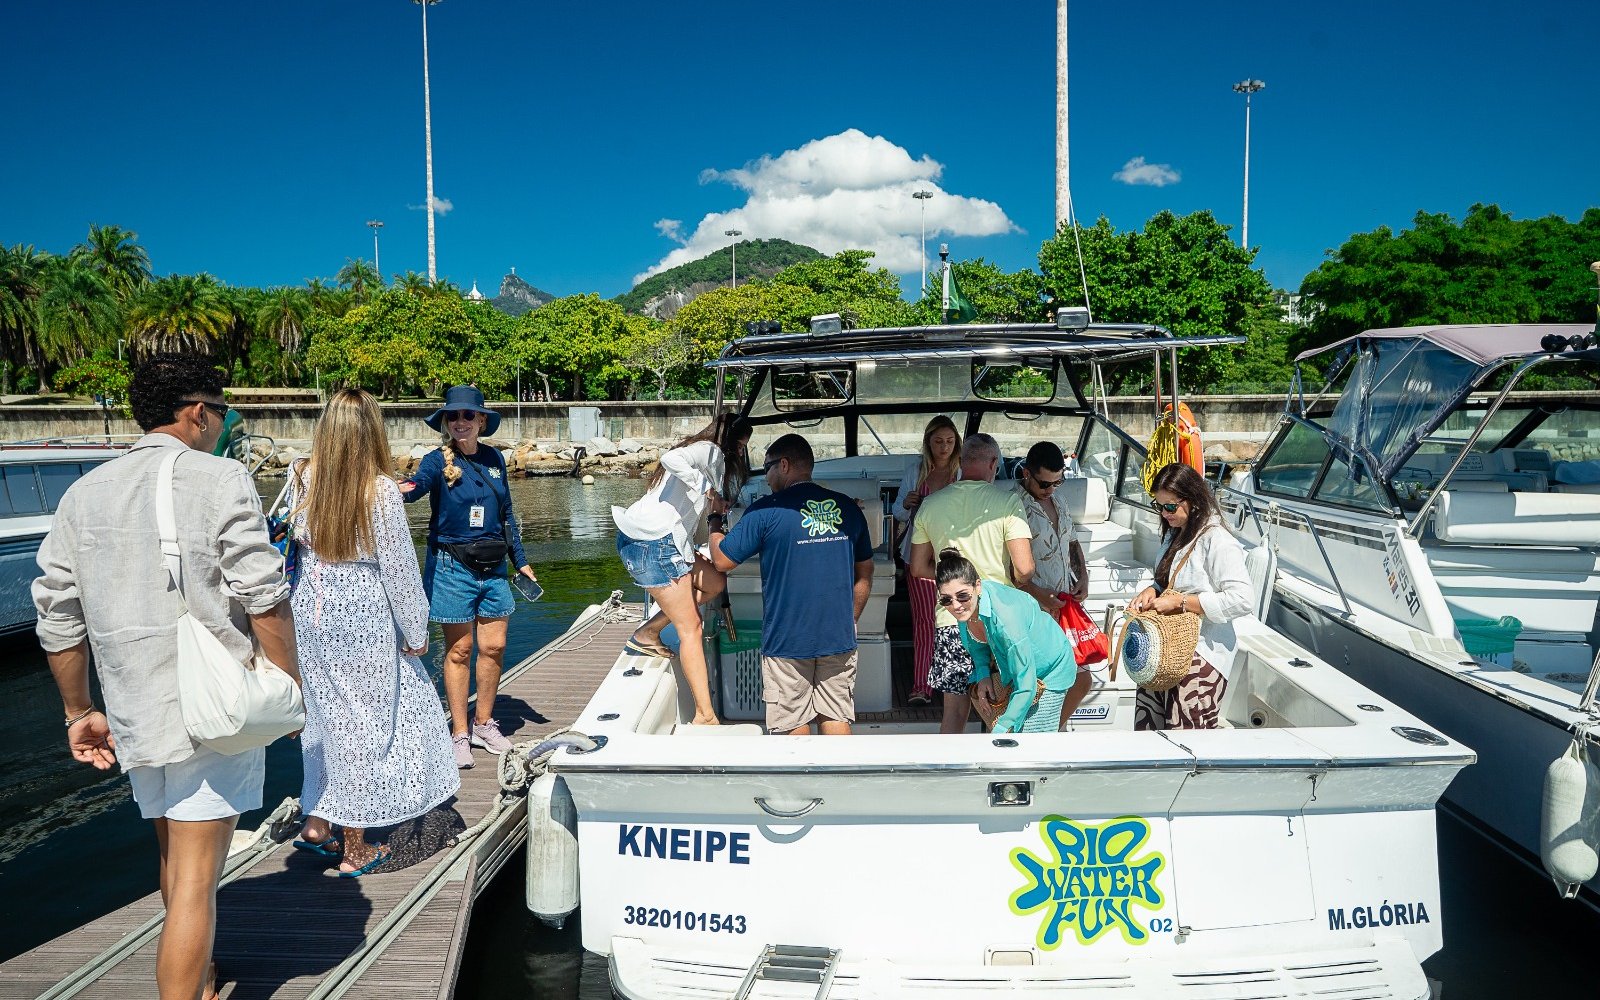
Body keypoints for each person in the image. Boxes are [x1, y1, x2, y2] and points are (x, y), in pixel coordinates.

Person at [33, 353, 298, 1000]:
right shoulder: (218, 477)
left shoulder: (82, 493)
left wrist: (78, 711)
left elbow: (58, 617)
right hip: (210, 707)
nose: (223, 423)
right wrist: (289, 688)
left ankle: (205, 980)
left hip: (132, 709)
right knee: (197, 883)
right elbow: (263, 593)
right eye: (222, 411)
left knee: (175, 862)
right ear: (199, 412)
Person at [287, 389, 460, 876]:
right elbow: (399, 570)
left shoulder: (301, 474)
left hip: (311, 608)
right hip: (360, 611)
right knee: (365, 723)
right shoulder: (379, 490)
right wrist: (416, 630)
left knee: (325, 717)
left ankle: (318, 822)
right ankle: (356, 845)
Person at [399, 385, 538, 768]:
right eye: (453, 416)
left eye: (467, 415)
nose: (460, 422)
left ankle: (484, 723)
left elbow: (507, 513)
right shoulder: (435, 461)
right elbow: (413, 490)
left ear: (480, 421)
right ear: (446, 423)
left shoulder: (494, 459)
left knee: (493, 648)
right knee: (459, 651)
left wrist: (521, 560)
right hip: (452, 567)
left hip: (494, 567)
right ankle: (460, 734)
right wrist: (386, 488)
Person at [710, 434, 874, 735]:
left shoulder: (764, 511)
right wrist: (851, 617)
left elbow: (721, 561)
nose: (767, 476)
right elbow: (865, 570)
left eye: (768, 467)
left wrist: (714, 521)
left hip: (787, 638)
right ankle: (841, 780)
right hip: (838, 634)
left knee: (792, 721)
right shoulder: (848, 508)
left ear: (784, 465)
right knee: (836, 716)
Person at [611, 412, 750, 726]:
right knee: (692, 627)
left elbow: (695, 526)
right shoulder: (710, 451)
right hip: (654, 545)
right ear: (730, 440)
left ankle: (648, 632)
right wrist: (706, 489)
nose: (741, 453)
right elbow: (670, 456)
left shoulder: (706, 458)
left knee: (714, 583)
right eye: (741, 446)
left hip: (658, 542)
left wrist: (716, 510)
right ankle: (705, 715)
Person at [909, 433, 1036, 734]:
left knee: (953, 713)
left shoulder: (931, 503)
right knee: (1002, 704)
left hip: (952, 619)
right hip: (998, 619)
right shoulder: (1007, 502)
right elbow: (1025, 568)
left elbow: (917, 567)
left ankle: (947, 776)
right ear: (993, 464)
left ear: (961, 463)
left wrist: (953, 582)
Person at [1127, 462, 1255, 730]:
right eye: (1159, 506)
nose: (1164, 513)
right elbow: (1169, 581)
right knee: (1149, 734)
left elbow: (1242, 599)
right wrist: (1153, 589)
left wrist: (1182, 603)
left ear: (1193, 500)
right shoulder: (1175, 533)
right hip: (1162, 654)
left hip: (1200, 656)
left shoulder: (1217, 540)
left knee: (1188, 742)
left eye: (1170, 506)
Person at [935, 548, 1078, 734]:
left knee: (1031, 742)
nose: (955, 605)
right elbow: (977, 645)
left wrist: (1002, 727)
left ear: (978, 586)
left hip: (1051, 669)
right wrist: (983, 674)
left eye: (962, 596)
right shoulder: (967, 608)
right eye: (946, 600)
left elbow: (1027, 686)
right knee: (1010, 737)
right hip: (1019, 668)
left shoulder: (1005, 618)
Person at [1014, 441, 1093, 723]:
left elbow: (1071, 541)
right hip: (1031, 610)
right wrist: (1038, 595)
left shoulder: (1058, 499)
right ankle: (1040, 732)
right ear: (1026, 473)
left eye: (1057, 483)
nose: (1050, 490)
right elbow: (1010, 569)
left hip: (1061, 607)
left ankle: (1049, 729)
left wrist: (1082, 575)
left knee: (1079, 680)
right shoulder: (1013, 506)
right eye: (1045, 484)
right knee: (1037, 685)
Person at [891, 416, 962, 706]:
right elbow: (897, 511)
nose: (944, 447)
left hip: (954, 558)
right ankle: (922, 684)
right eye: (938, 441)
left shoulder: (961, 473)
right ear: (928, 443)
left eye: (949, 441)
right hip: (918, 557)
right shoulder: (915, 472)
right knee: (924, 621)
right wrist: (906, 505)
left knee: (956, 621)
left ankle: (952, 685)